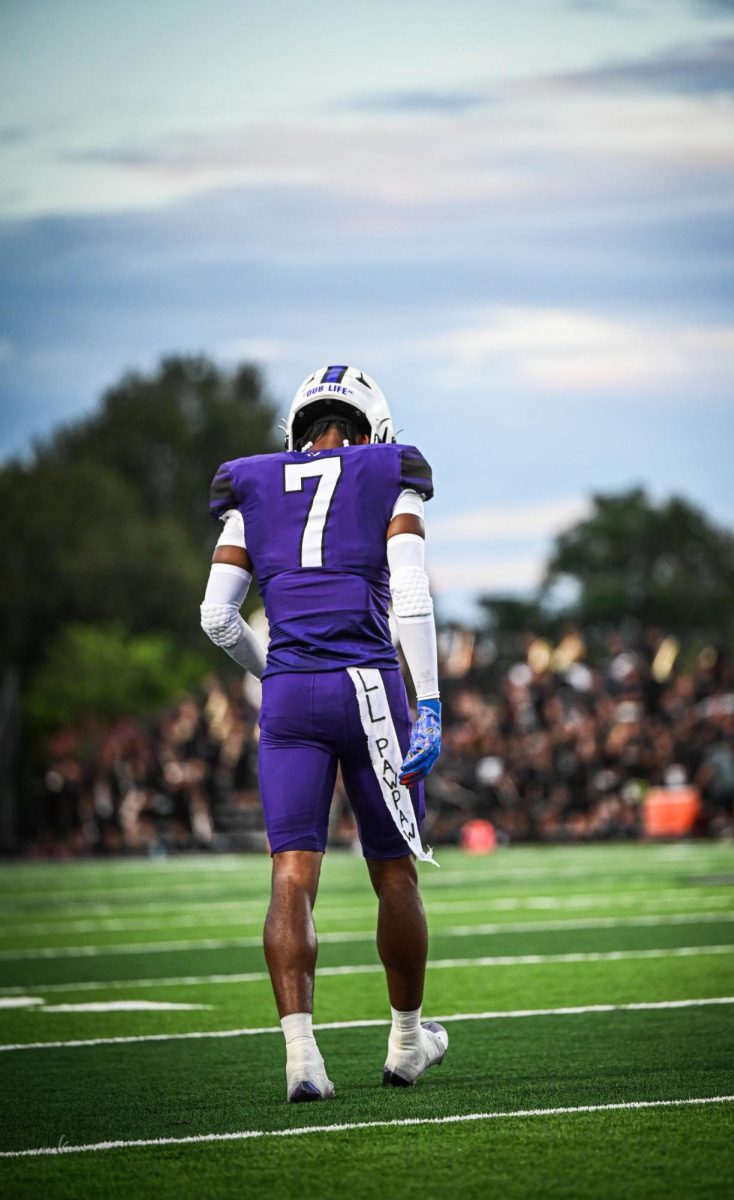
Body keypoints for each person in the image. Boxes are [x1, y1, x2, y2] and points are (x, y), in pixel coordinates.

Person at [200, 365, 446, 1102]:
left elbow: (216, 616)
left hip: (290, 699)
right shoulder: (388, 471)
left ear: (298, 429)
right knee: (393, 872)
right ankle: (406, 1043)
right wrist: (427, 700)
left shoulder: (252, 486)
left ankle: (302, 1058)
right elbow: (409, 590)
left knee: (291, 876)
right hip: (369, 685)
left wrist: (272, 667)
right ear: (374, 429)